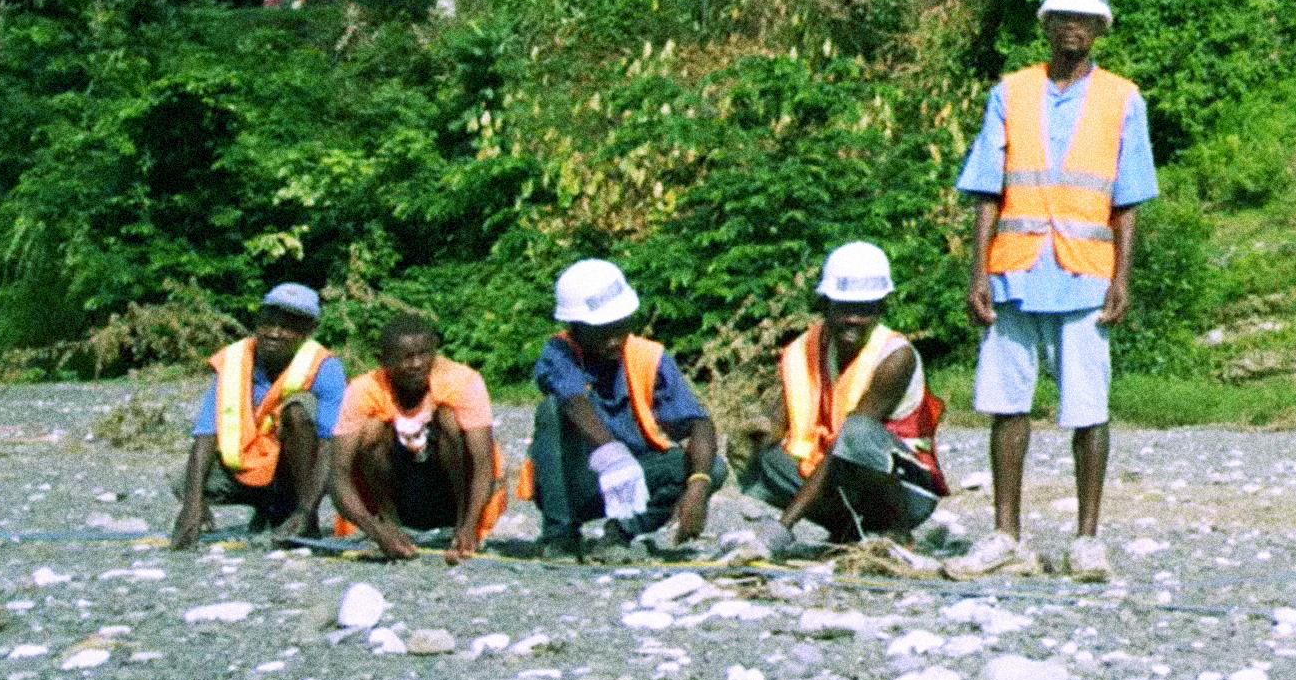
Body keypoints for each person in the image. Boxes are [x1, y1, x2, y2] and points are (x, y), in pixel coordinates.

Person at [949, 0, 1155, 580]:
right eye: (1064, 18)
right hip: (1015, 272)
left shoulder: (1123, 98)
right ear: (1045, 25)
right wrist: (978, 270)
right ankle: (1005, 534)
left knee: (1089, 409)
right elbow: (987, 189)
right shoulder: (1009, 93)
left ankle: (1086, 539)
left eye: (1086, 20)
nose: (1074, 29)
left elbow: (1128, 199)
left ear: (1099, 30)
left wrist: (1123, 277)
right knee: (1007, 407)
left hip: (1086, 275)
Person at [750, 240, 953, 544]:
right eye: (844, 308)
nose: (853, 318)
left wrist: (784, 525)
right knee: (763, 460)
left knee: (856, 432)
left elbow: (847, 442)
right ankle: (848, 529)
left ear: (881, 307)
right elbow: (782, 424)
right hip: (846, 474)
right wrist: (759, 435)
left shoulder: (896, 357)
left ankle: (893, 532)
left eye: (865, 309)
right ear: (827, 305)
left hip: (905, 488)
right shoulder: (808, 348)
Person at [529, 259, 720, 559]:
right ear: (575, 328)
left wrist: (698, 485)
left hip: (631, 480)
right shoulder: (559, 353)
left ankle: (619, 534)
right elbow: (572, 399)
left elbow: (697, 423)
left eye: (620, 328)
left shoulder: (647, 354)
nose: (614, 340)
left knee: (709, 468)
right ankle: (560, 534)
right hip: (576, 482)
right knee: (551, 410)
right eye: (602, 332)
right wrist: (613, 454)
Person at [169, 282, 342, 549]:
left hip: (297, 470)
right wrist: (192, 505)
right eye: (269, 322)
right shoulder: (234, 359)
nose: (275, 332)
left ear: (309, 330)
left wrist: (307, 511)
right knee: (183, 481)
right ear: (257, 320)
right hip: (248, 469)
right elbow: (206, 434)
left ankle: (300, 514)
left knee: (297, 411)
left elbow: (331, 445)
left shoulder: (325, 367)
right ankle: (268, 508)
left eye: (289, 326)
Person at [332, 313, 502, 565]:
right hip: (397, 491)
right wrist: (375, 532)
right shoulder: (363, 389)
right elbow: (338, 475)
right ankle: (391, 526)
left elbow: (483, 463)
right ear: (383, 361)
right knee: (372, 429)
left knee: (448, 419)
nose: (417, 364)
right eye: (406, 357)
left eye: (424, 354)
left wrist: (469, 526)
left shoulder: (463, 381)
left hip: (448, 490)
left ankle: (457, 525)